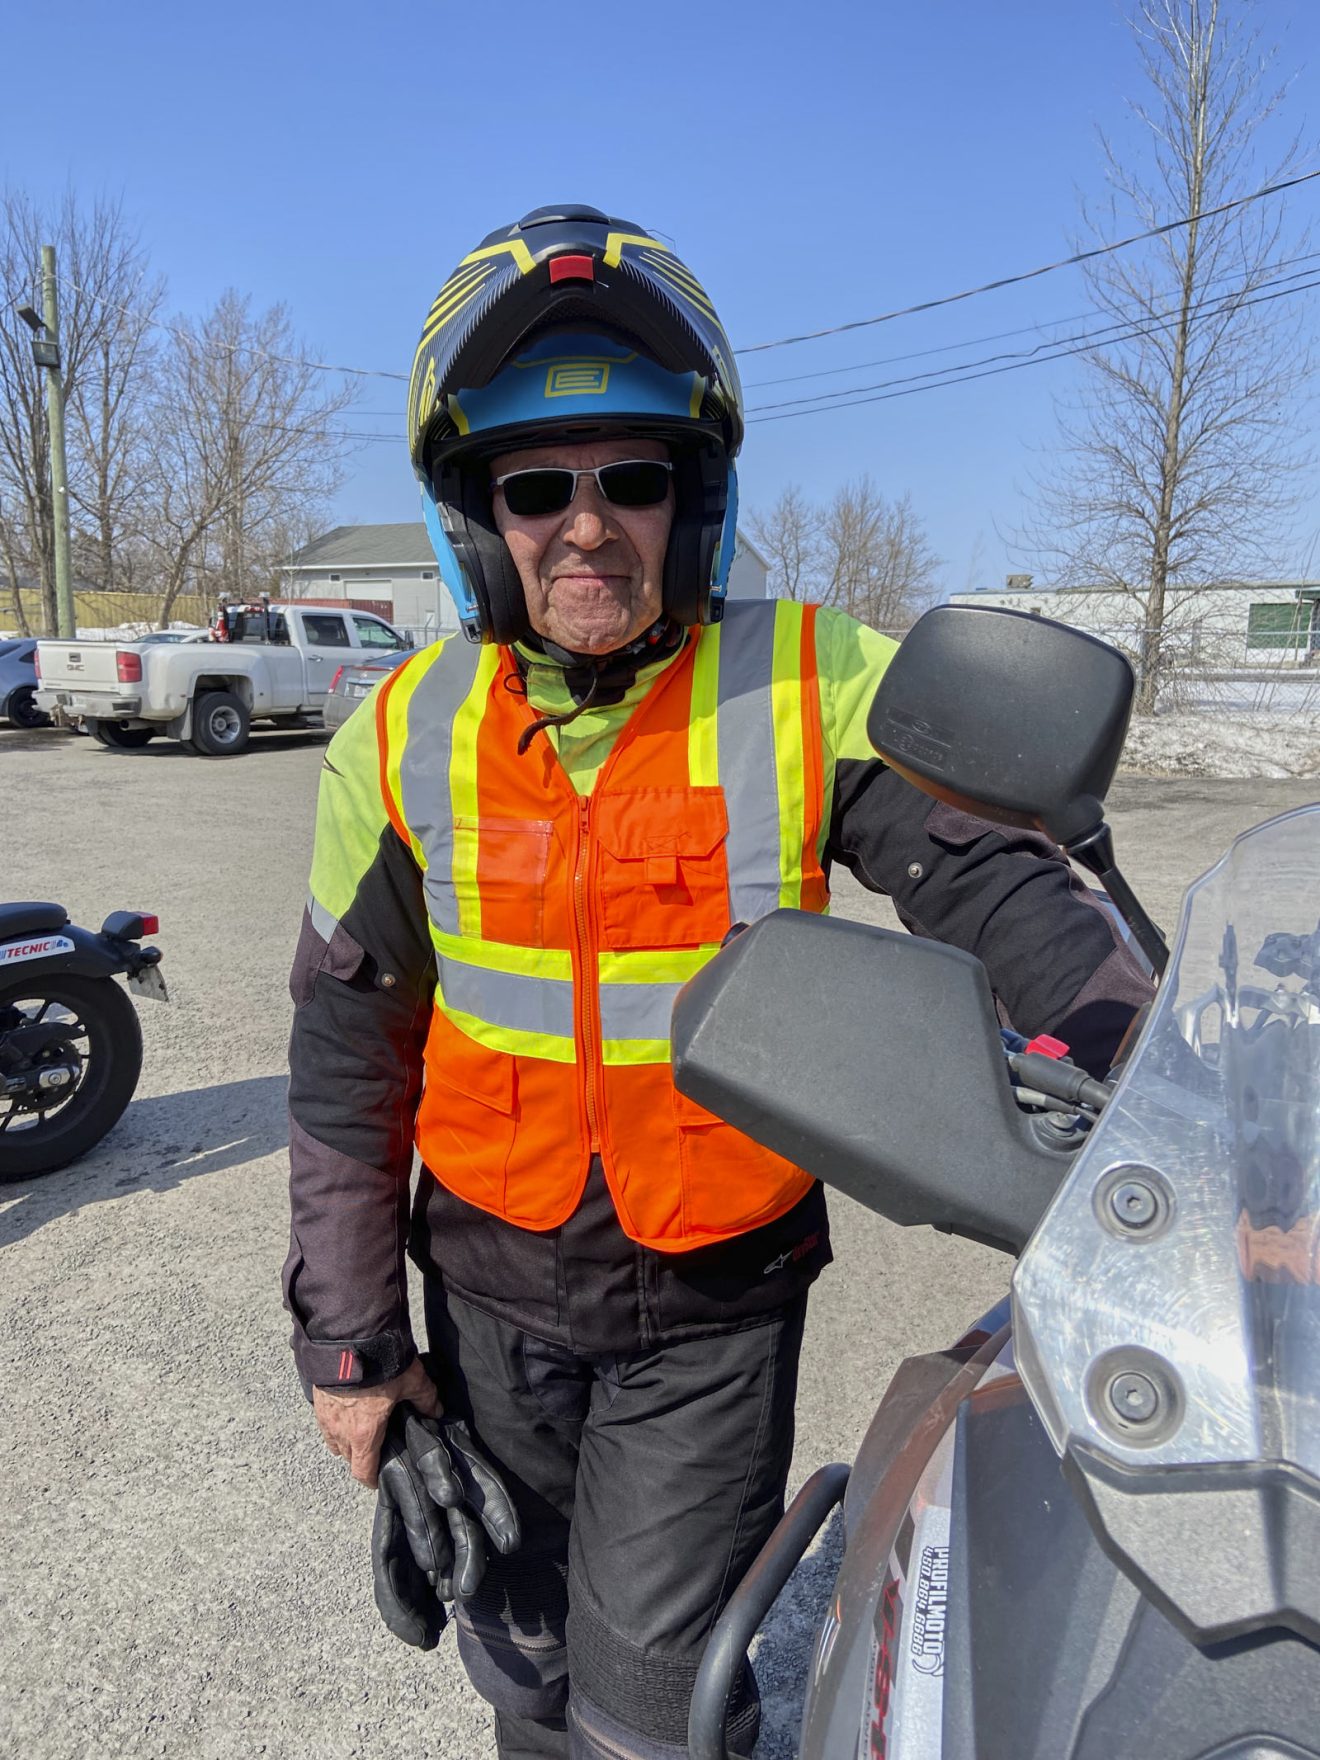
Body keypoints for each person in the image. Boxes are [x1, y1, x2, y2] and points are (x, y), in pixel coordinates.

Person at [284, 203, 1152, 1760]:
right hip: (482, 1290)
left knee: (655, 1706)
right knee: (522, 1664)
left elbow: (997, 882)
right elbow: (347, 1056)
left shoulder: (815, 678)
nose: (588, 525)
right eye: (534, 488)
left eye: (635, 477)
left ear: (700, 494)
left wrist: (1150, 1081)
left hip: (710, 1297)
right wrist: (353, 1350)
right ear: (474, 519)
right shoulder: (399, 732)